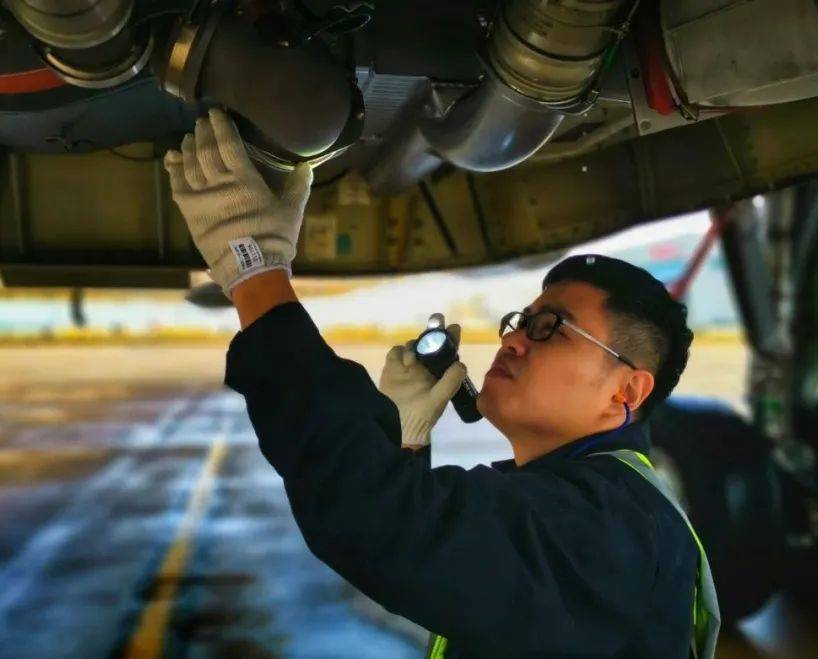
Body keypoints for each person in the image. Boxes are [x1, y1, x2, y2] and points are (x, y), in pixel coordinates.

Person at [164, 108, 719, 658]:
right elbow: (440, 548)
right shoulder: (585, 504)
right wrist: (404, 444)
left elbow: (385, 525)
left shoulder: (610, 528)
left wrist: (255, 275)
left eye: (551, 328)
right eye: (521, 321)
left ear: (627, 392)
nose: (514, 340)